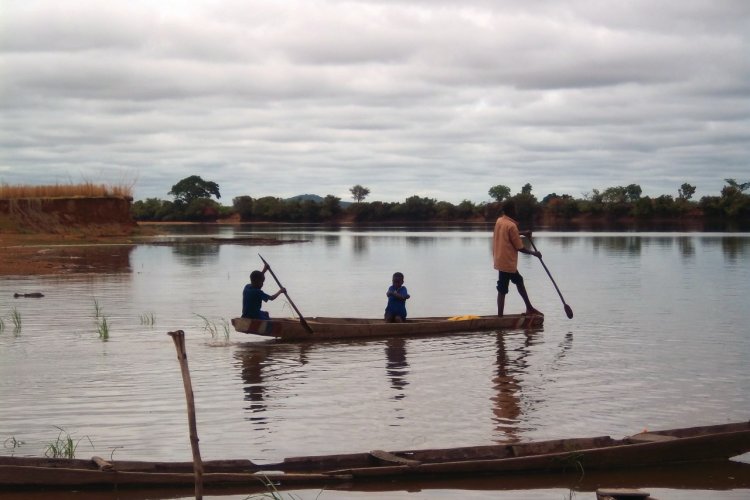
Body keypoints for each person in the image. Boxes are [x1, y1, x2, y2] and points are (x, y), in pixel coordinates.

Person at [493, 200, 542, 317]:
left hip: (500, 259)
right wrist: (534, 253)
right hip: (508, 262)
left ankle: (529, 308)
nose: (516, 211)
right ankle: (500, 318)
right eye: (514, 209)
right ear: (510, 210)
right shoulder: (511, 225)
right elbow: (520, 247)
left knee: (518, 281)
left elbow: (509, 234)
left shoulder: (500, 221)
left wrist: (523, 233)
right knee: (502, 288)